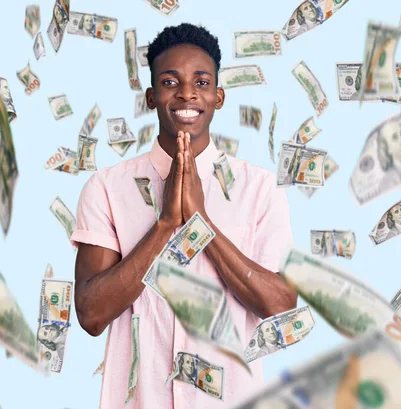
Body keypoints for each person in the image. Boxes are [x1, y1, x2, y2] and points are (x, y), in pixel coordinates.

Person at [71, 23, 296, 408]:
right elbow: (91, 315)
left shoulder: (260, 188)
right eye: (170, 82)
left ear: (218, 96)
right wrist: (165, 225)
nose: (187, 93)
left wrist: (201, 223)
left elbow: (280, 307)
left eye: (202, 82)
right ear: (151, 97)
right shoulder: (107, 188)